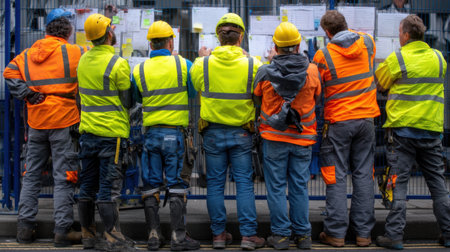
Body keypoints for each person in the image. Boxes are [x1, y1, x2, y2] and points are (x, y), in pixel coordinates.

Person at [3, 8, 85, 247]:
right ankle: (62, 230)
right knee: (64, 177)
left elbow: (9, 73)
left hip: (37, 121)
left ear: (46, 30)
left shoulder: (28, 54)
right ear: (68, 31)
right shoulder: (77, 52)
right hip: (64, 121)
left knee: (30, 177)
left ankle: (25, 229)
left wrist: (27, 93)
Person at [190, 13, 265, 250]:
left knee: (214, 184)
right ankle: (249, 236)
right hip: (242, 133)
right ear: (240, 37)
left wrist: (204, 57)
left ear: (218, 37)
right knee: (243, 183)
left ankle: (218, 236)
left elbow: (196, 85)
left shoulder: (201, 64)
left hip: (212, 133)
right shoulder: (254, 64)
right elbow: (259, 95)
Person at [375, 14, 450, 250]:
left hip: (403, 133)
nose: (399, 36)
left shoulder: (398, 58)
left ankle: (394, 236)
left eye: (400, 32)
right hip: (431, 131)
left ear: (406, 35)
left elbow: (381, 83)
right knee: (437, 184)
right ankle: (448, 233)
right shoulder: (439, 58)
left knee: (398, 184)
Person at [312, 10, 380, 247]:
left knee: (336, 176)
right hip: (366, 120)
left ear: (327, 32)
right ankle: (363, 234)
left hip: (338, 122)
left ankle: (336, 233)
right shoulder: (368, 43)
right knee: (364, 175)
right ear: (346, 25)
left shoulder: (322, 55)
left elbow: (317, 89)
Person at [131, 20, 200, 251]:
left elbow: (137, 98)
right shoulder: (184, 64)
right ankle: (178, 237)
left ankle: (153, 236)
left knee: (150, 185)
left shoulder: (139, 69)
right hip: (175, 136)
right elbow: (192, 92)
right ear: (171, 41)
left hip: (150, 135)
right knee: (177, 185)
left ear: (150, 44)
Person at [253, 22, 321, 250]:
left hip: (274, 138)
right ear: (299, 44)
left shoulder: (264, 71)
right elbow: (317, 99)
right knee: (300, 187)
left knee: (276, 187)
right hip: (303, 138)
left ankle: (281, 236)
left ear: (275, 46)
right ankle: (303, 236)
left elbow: (256, 99)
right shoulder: (312, 70)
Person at [76, 13, 136, 252]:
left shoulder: (82, 61)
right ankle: (112, 237)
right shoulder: (117, 63)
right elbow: (127, 100)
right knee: (109, 187)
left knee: (87, 185)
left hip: (87, 132)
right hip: (112, 135)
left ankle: (88, 235)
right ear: (110, 34)